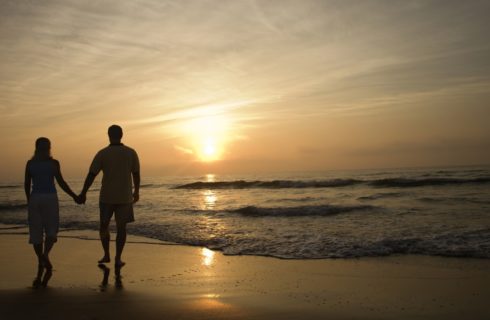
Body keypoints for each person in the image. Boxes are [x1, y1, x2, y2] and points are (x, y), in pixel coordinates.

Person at [79, 125, 140, 267]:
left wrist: (83, 192)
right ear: (122, 134)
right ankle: (118, 258)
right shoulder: (131, 152)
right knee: (121, 228)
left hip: (107, 197)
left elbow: (91, 174)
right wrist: (136, 191)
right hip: (124, 197)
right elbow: (136, 174)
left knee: (104, 226)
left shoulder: (102, 153)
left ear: (108, 135)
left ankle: (107, 254)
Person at [24, 137, 80, 274]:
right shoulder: (54, 163)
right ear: (49, 148)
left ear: (36, 148)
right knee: (51, 229)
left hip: (35, 198)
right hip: (50, 198)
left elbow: (26, 184)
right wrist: (74, 196)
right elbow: (61, 182)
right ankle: (45, 255)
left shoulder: (30, 163)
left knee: (36, 232)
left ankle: (40, 259)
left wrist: (29, 200)